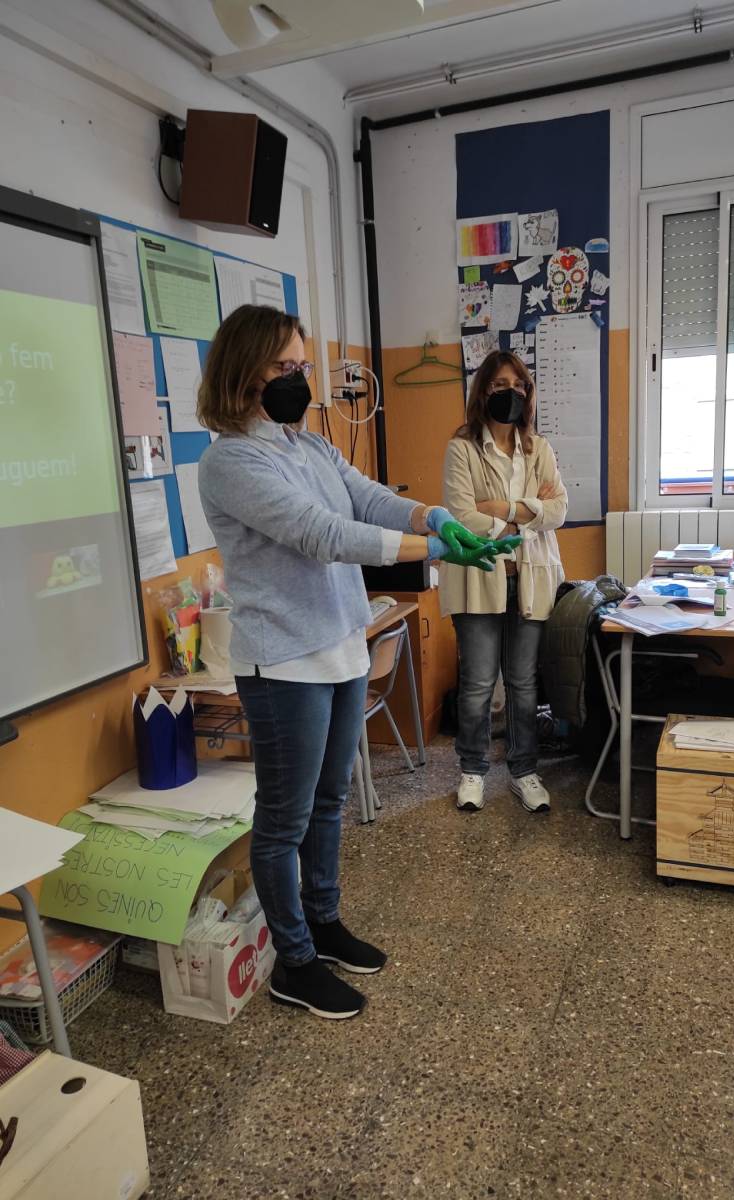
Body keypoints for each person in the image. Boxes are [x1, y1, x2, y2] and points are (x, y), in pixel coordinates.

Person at [197, 305, 512, 1021]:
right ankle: (295, 962)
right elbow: (321, 533)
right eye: (284, 368)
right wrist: (434, 553)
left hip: (342, 643)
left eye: (303, 366)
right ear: (243, 371)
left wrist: (433, 518)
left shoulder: (304, 446)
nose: (299, 380)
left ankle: (325, 922)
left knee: (330, 802)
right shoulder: (228, 462)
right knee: (283, 821)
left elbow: (366, 497)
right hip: (282, 661)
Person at [439, 349, 568, 815]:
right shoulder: (462, 447)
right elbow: (460, 515)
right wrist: (524, 519)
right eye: (498, 386)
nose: (508, 393)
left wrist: (505, 509)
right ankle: (472, 770)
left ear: (527, 393)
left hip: (532, 579)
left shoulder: (540, 448)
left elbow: (561, 510)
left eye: (517, 385)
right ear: (482, 392)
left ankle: (523, 770)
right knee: (476, 684)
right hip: (479, 578)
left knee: (523, 683)